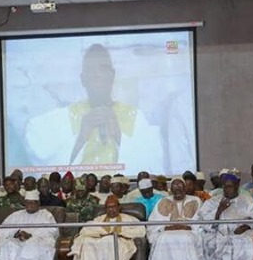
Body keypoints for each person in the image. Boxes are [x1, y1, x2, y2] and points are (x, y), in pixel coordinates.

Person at [23, 44, 163, 170]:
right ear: (83, 79)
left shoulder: (135, 117)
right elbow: (44, 166)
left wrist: (119, 137)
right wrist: (81, 137)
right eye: (91, 70)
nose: (97, 75)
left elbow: (154, 167)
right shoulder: (62, 119)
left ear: (112, 76)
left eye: (103, 69)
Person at [69, 195, 145, 260]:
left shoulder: (129, 219)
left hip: (121, 242)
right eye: (109, 207)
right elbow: (85, 230)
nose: (111, 210)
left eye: (113, 207)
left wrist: (120, 233)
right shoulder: (99, 219)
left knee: (110, 240)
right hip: (100, 242)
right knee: (86, 242)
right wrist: (102, 233)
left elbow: (141, 230)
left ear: (119, 207)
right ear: (105, 209)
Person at [198, 173, 253, 260]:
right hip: (218, 231)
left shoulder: (247, 200)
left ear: (237, 186)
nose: (227, 190)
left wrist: (245, 226)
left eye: (230, 186)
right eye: (225, 187)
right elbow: (204, 220)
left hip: (241, 232)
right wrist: (219, 210)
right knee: (211, 242)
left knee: (246, 242)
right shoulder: (214, 201)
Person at [0, 191, 59, 260]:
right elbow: (4, 230)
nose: (29, 205)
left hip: (37, 241)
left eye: (33, 202)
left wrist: (31, 236)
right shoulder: (16, 215)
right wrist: (16, 234)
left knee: (30, 246)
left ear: (38, 204)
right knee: (7, 246)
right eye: (27, 202)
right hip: (17, 241)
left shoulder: (46, 215)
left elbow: (51, 232)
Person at [144, 177, 205, 260]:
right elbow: (153, 223)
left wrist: (188, 226)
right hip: (166, 231)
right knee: (162, 238)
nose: (178, 189)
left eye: (180, 186)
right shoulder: (163, 201)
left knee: (186, 238)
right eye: (174, 186)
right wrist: (165, 228)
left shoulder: (195, 200)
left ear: (185, 188)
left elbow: (201, 221)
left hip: (189, 231)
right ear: (170, 189)